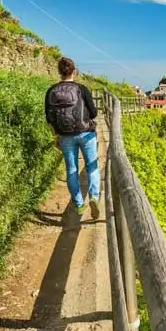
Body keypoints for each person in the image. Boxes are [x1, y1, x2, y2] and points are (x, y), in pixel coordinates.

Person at [45, 57, 100, 219]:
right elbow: (94, 113)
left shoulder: (51, 91)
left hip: (65, 136)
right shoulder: (82, 89)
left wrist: (55, 136)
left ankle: (78, 204)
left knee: (71, 170)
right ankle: (94, 197)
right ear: (74, 71)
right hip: (86, 132)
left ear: (59, 72)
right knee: (92, 166)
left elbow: (49, 118)